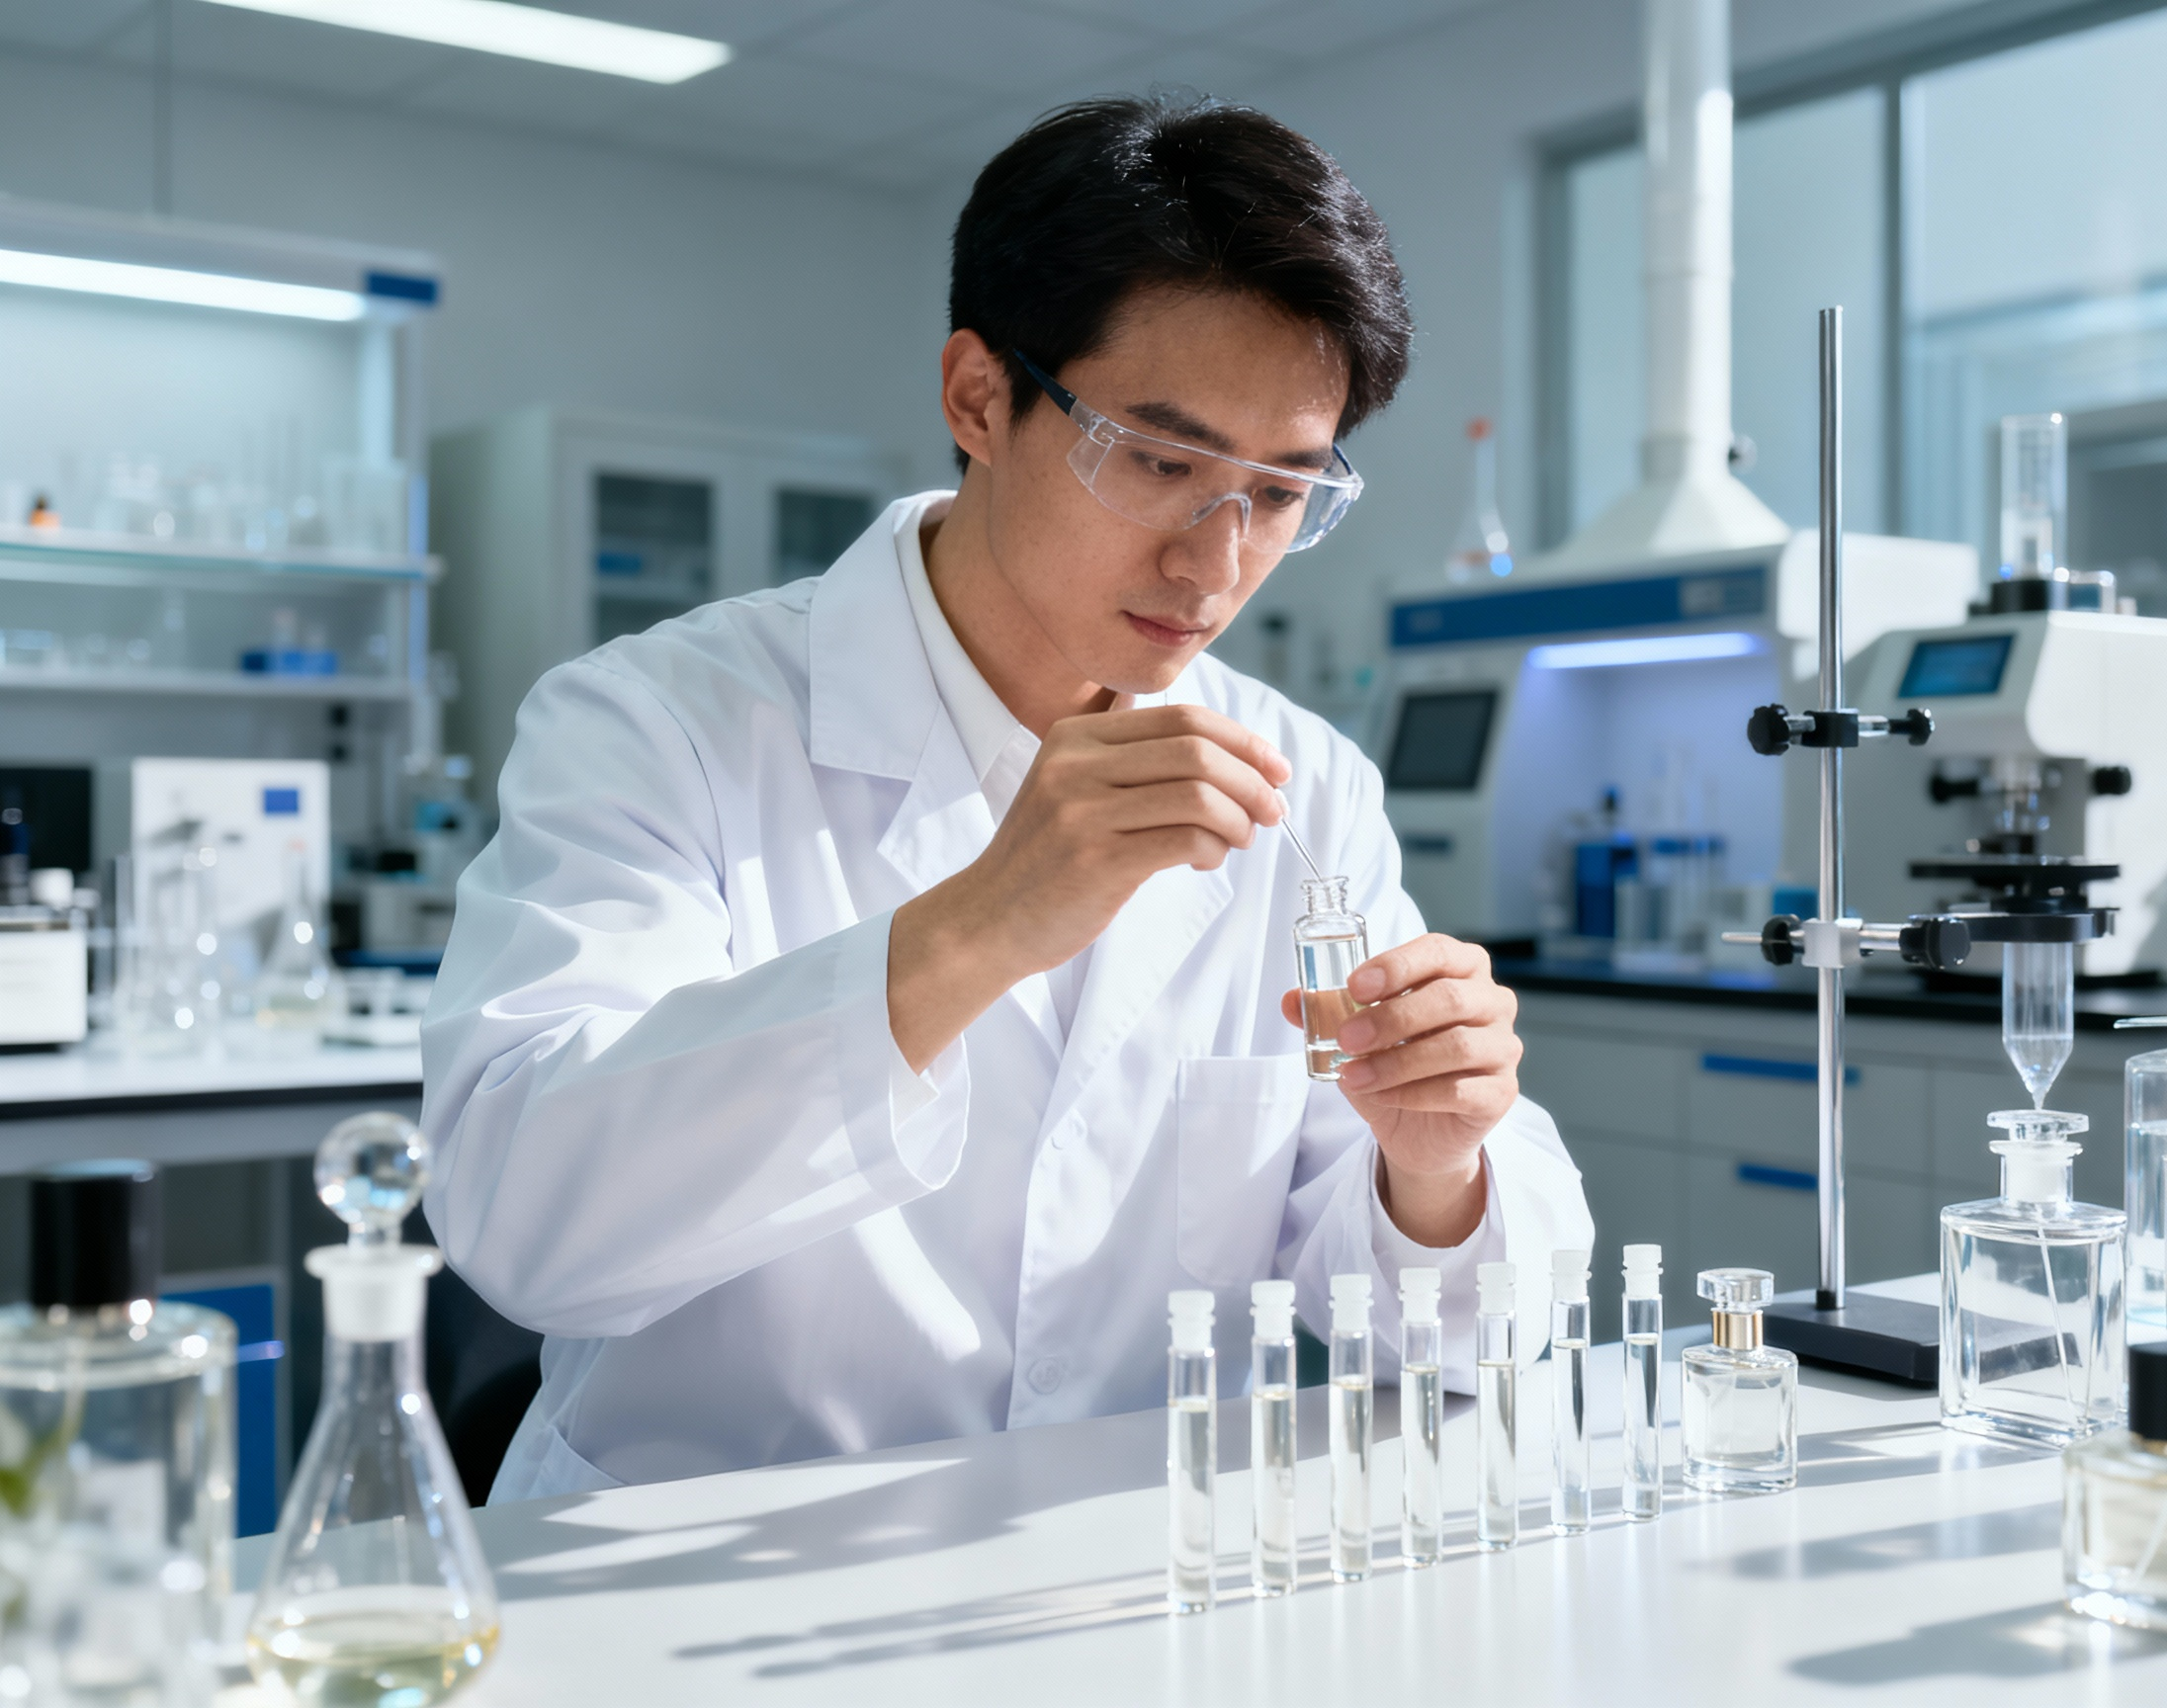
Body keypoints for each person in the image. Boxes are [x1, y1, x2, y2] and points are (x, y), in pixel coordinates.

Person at [422, 95, 1592, 1499]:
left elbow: (1453, 1337)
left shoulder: (1307, 786)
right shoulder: (662, 721)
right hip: (701, 1593)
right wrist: (975, 928)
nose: (1214, 567)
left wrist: (1434, 1175)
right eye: (1160, 461)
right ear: (980, 398)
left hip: (1127, 1589)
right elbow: (528, 1220)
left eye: (1280, 491)